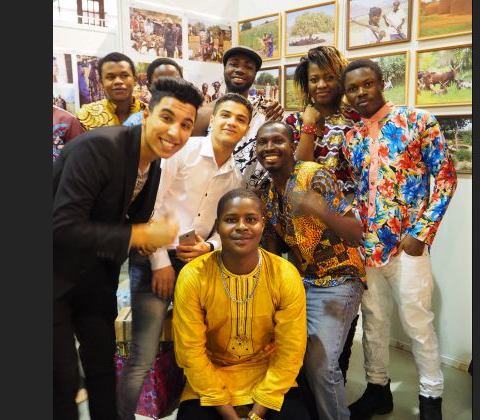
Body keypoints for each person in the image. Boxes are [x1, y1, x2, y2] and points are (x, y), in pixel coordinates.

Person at [53, 77, 204, 420]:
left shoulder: (154, 163)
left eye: (186, 125)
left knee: (103, 370)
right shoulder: (99, 147)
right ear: (147, 114)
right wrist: (137, 235)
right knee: (61, 381)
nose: (175, 132)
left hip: (95, 278)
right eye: (167, 118)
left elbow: (123, 219)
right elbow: (62, 227)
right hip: (54, 276)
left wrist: (153, 241)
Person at [116, 93, 253, 420]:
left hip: (197, 264)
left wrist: (210, 247)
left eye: (240, 119)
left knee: (198, 345)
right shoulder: (182, 151)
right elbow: (150, 208)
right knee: (144, 352)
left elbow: (225, 227)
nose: (232, 122)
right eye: (226, 115)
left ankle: (192, 404)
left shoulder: (235, 175)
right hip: (154, 257)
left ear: (247, 129)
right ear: (213, 119)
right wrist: (161, 264)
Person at [341, 59, 457, 420]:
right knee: (374, 322)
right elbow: (355, 187)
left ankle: (430, 398)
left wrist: (421, 232)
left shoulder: (418, 121)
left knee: (418, 323)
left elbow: (445, 179)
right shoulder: (351, 137)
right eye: (352, 88)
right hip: (367, 247)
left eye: (367, 84)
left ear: (381, 83)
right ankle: (378, 390)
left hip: (408, 247)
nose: (361, 92)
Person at [256, 121, 365, 420]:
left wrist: (319, 210)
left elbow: (355, 232)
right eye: (262, 142)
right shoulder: (267, 192)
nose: (269, 147)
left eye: (277, 140)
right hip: (301, 281)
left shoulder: (314, 175)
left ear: (292, 146)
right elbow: (274, 249)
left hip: (339, 279)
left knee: (321, 365)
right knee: (288, 354)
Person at [173, 188, 309, 420]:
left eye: (251, 219)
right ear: (218, 226)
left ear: (263, 224)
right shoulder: (194, 276)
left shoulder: (284, 274)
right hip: (211, 375)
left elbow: (291, 351)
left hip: (269, 374)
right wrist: (228, 413)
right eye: (231, 220)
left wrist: (257, 413)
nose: (242, 227)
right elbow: (190, 353)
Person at [191, 46, 285, 191]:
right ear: (224, 68)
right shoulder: (205, 113)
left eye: (248, 67)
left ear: (255, 75)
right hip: (209, 193)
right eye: (234, 64)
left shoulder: (266, 112)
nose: (240, 70)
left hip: (252, 198)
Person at [286, 45, 361, 201]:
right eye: (314, 80)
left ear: (341, 80)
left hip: (349, 205)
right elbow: (302, 171)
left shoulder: (356, 118)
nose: (321, 85)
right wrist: (308, 124)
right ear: (307, 84)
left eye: (329, 78)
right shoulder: (293, 121)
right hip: (307, 206)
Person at [76, 52, 146, 130]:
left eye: (124, 76)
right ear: (102, 83)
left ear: (135, 80)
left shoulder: (150, 113)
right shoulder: (85, 116)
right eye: (110, 77)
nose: (118, 81)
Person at [123, 58, 183, 127]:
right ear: (149, 87)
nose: (169, 89)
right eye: (161, 84)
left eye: (175, 82)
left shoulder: (191, 119)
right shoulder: (133, 124)